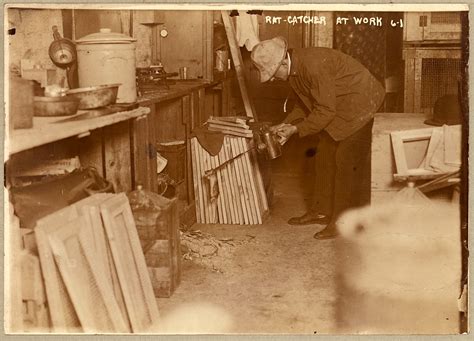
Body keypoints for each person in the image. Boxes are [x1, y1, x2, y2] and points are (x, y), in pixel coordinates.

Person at [250, 36, 385, 239]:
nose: (273, 79)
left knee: (345, 161)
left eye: (273, 74)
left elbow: (325, 111)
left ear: (283, 62)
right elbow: (304, 105)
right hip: (338, 104)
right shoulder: (294, 71)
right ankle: (321, 211)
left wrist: (296, 130)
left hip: (361, 102)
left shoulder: (312, 66)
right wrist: (287, 123)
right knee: (324, 157)